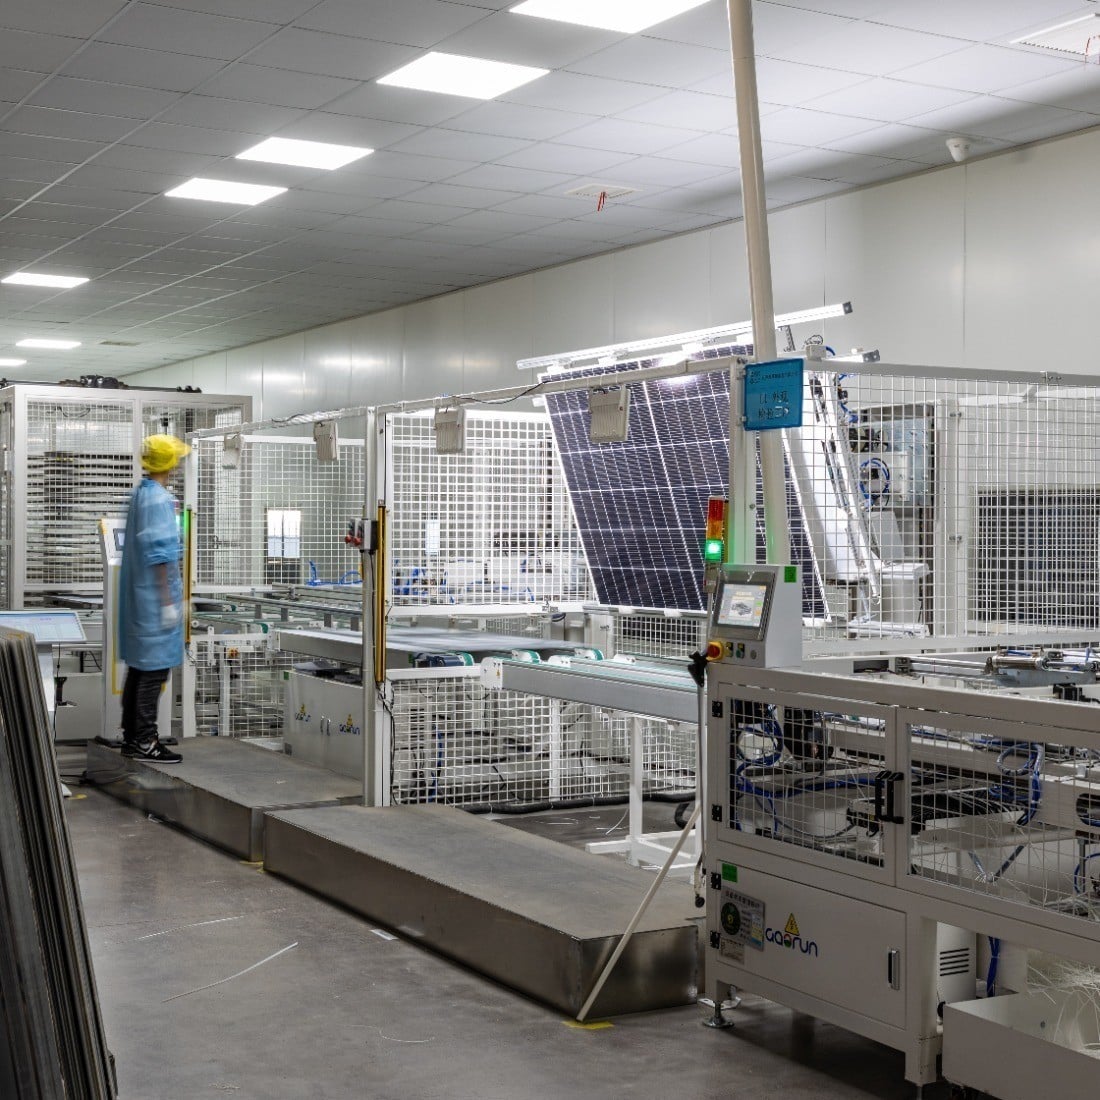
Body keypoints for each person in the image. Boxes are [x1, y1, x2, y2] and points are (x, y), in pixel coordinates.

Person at [118, 434, 190, 763]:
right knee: (154, 673)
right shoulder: (160, 500)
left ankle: (132, 737)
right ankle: (146, 740)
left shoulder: (140, 494)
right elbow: (161, 555)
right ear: (170, 463)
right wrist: (168, 603)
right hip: (153, 601)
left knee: (139, 669)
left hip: (138, 600)